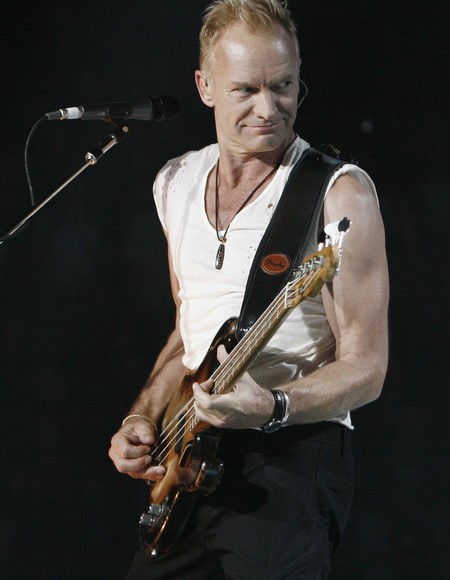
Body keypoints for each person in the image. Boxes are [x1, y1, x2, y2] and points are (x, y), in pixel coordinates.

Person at [107, 0, 389, 577]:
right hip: (191, 459)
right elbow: (189, 330)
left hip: (291, 460)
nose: (269, 108)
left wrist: (274, 407)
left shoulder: (338, 192)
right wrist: (142, 418)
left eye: (283, 86)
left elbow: (367, 367)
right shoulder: (175, 182)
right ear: (205, 86)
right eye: (245, 91)